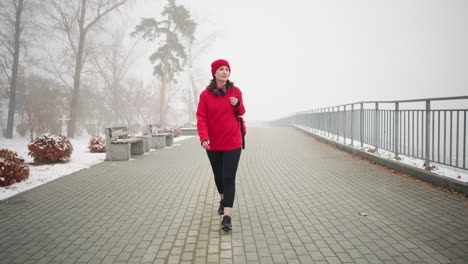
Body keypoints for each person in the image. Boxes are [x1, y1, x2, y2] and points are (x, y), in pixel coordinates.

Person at [196, 59, 245, 231]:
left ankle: (227, 216)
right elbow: (201, 118)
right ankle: (223, 199)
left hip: (233, 141)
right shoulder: (205, 95)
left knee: (228, 177)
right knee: (218, 176)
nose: (225, 72)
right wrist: (203, 137)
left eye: (227, 69)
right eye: (221, 69)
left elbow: (242, 111)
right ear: (214, 73)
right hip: (214, 143)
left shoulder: (235, 91)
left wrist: (238, 104)